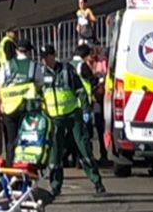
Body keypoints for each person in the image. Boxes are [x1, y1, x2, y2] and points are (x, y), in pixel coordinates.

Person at [39, 45, 106, 197]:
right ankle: (55, 186)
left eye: (47, 57)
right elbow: (39, 95)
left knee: (84, 149)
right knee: (55, 156)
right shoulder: (42, 74)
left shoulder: (67, 70)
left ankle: (97, 182)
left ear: (53, 56)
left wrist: (85, 111)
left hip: (73, 116)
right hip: (54, 119)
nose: (44, 61)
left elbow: (80, 91)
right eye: (42, 57)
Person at [0, 39, 43, 166]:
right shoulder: (34, 66)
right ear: (28, 52)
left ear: (17, 51)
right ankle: (24, 168)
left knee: (11, 141)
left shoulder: (7, 66)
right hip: (26, 109)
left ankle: (11, 168)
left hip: (8, 109)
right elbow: (39, 85)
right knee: (26, 140)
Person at [87, 44, 110, 165]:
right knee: (90, 129)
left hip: (98, 99)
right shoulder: (85, 64)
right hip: (89, 99)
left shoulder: (102, 62)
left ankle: (103, 154)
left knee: (100, 126)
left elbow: (104, 79)